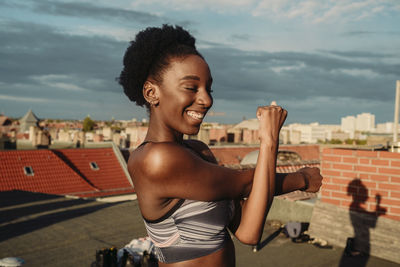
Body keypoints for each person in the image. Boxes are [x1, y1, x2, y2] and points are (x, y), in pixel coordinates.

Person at [119, 24, 322, 267]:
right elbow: (246, 182)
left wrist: (272, 148)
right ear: (151, 92)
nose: (206, 100)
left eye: (208, 88)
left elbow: (248, 231)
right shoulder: (154, 159)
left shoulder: (198, 151)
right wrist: (295, 173)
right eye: (191, 88)